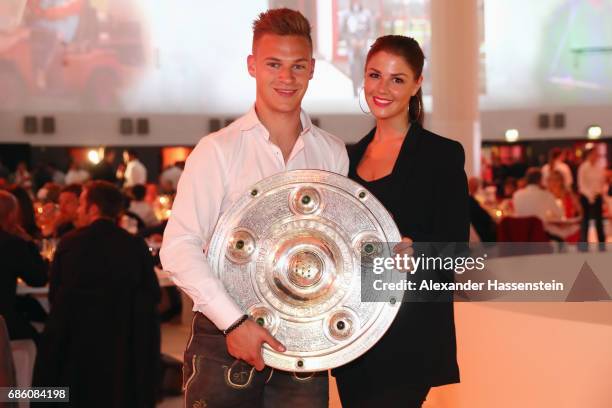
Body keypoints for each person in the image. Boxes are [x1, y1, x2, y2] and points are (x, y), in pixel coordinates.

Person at [160, 8, 348, 408]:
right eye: (274, 64)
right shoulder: (218, 150)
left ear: (312, 69)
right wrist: (235, 322)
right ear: (252, 66)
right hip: (224, 338)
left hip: (304, 343)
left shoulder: (331, 152)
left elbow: (335, 249)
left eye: (298, 66)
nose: (287, 77)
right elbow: (178, 248)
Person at [332, 35, 469, 408]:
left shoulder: (441, 155)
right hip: (355, 333)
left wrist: (416, 249)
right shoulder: (346, 159)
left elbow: (457, 251)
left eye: (397, 79)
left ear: (417, 84)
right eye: (375, 75)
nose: (383, 88)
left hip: (411, 334)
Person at [33, 181, 161, 407]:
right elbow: (151, 296)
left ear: (93, 209)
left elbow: (55, 296)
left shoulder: (70, 242)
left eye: (81, 204)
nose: (79, 211)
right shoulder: (134, 245)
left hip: (75, 345)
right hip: (123, 347)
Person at [0, 190, 48, 343]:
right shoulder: (12, 244)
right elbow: (39, 278)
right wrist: (29, 243)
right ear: (12, 215)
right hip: (4, 323)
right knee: (42, 343)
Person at [513, 167, 564, 238]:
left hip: (520, 235)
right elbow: (560, 214)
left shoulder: (516, 195)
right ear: (540, 180)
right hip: (539, 235)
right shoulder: (546, 195)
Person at [577, 147, 607, 246]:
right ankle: (584, 244)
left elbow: (601, 183)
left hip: (597, 196)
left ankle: (601, 244)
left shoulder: (599, 167)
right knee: (585, 220)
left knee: (599, 221)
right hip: (586, 197)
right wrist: (589, 195)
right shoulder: (583, 167)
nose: (595, 156)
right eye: (594, 154)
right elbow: (581, 184)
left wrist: (599, 194)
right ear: (589, 155)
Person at [546, 170, 582, 242]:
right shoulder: (545, 196)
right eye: (551, 180)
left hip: (569, 225)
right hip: (552, 226)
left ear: (561, 181)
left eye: (556, 180)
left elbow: (580, 212)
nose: (554, 183)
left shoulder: (569, 195)